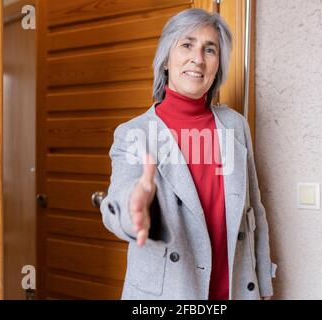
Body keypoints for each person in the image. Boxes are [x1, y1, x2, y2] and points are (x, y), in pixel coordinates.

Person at [101, 8, 276, 300]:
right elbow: (119, 199)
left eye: (210, 49)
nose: (198, 58)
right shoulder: (134, 133)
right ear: (166, 60)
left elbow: (254, 212)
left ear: (217, 66)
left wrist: (263, 289)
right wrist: (135, 209)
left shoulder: (235, 126)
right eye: (187, 45)